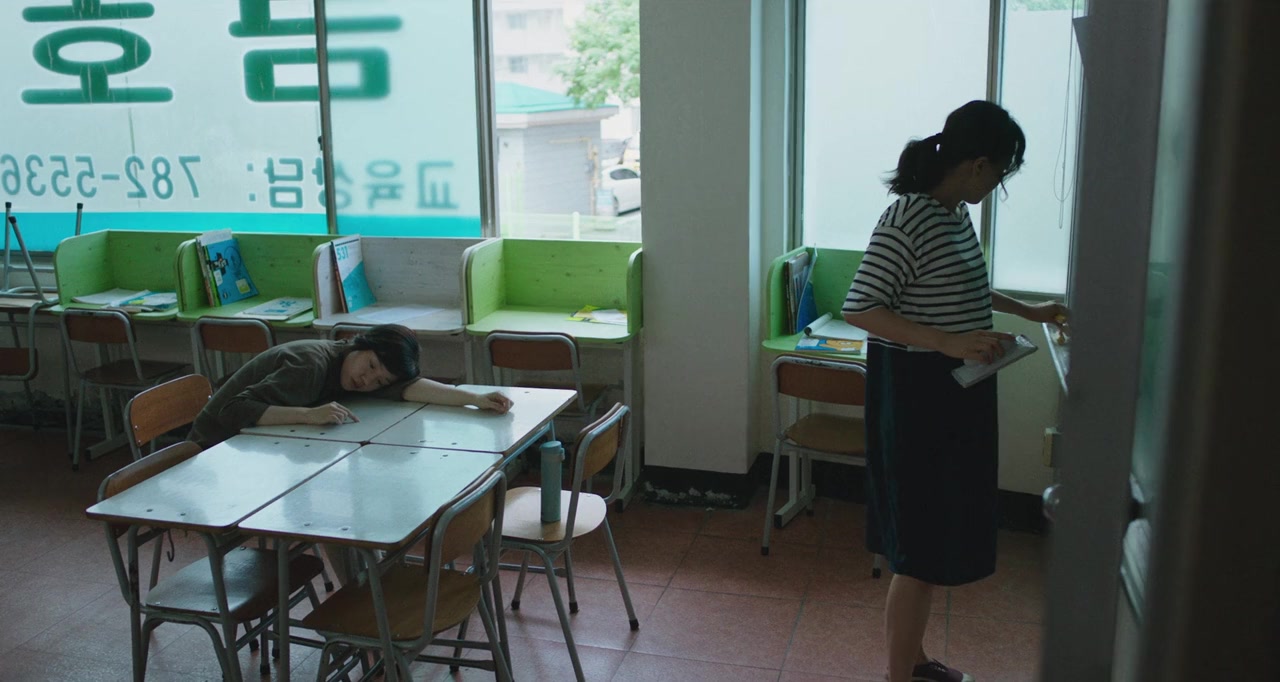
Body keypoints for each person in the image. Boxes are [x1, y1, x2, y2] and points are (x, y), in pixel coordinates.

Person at [842, 100, 1066, 682]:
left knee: (932, 539)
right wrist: (946, 341)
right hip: (917, 397)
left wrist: (1029, 311)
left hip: (955, 393)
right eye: (1000, 174)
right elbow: (861, 307)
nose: (997, 186)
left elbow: (967, 286)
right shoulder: (908, 217)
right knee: (918, 550)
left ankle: (914, 663)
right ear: (977, 165)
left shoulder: (953, 214)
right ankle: (900, 675)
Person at [188, 323, 512, 448]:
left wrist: (475, 398)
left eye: (380, 381)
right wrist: (308, 415)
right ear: (361, 344)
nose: (367, 381)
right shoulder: (310, 366)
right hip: (211, 450)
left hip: (253, 446)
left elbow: (412, 387)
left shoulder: (351, 367)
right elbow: (232, 411)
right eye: (370, 366)